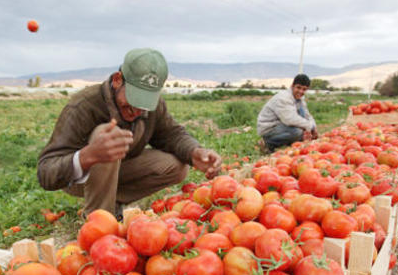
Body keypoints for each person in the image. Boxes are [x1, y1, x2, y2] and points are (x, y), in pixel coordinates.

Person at [37, 48, 222, 217]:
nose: (137, 111)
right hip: (81, 178)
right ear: (117, 80)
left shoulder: (151, 106)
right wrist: (88, 155)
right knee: (107, 134)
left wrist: (195, 152)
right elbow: (46, 172)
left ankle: (114, 201)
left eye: (144, 104)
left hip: (121, 171)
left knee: (177, 166)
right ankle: (99, 219)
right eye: (132, 99)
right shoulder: (83, 106)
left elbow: (171, 134)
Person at [257, 74, 318, 152]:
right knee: (297, 132)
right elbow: (290, 119)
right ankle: (267, 143)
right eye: (298, 87)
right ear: (292, 86)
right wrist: (310, 127)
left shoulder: (299, 99)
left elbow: (307, 115)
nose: (301, 91)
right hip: (270, 128)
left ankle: (288, 144)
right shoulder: (283, 98)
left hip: (282, 126)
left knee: (303, 121)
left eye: (304, 89)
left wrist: (314, 127)